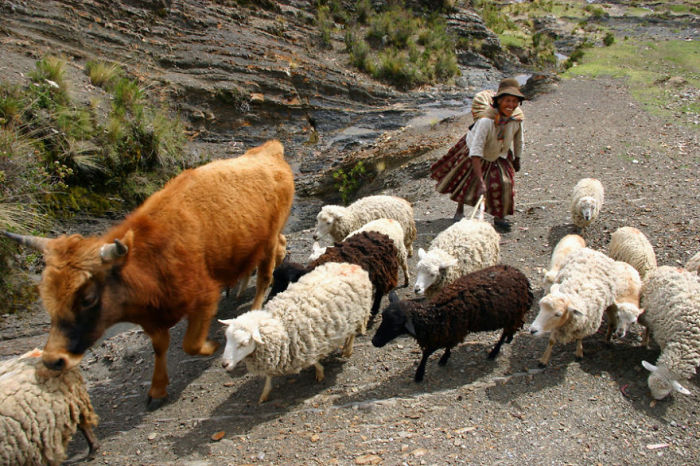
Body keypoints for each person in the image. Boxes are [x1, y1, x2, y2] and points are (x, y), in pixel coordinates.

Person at [430, 78, 525, 232]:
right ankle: (460, 210)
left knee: (505, 183)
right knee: (467, 181)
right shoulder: (486, 121)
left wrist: (518, 158)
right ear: (499, 101)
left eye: (515, 101)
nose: (511, 105)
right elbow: (475, 152)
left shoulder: (517, 119)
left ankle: (499, 217)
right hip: (476, 151)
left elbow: (519, 139)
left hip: (500, 152)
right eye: (507, 100)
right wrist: (481, 181)